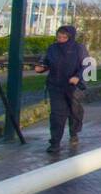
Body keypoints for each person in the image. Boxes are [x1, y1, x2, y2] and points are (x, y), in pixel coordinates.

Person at [33, 24, 91, 153]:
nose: (61, 39)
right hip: (56, 85)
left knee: (74, 111)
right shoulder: (52, 49)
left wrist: (77, 76)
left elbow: (87, 66)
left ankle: (74, 132)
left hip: (74, 86)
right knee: (57, 114)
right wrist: (41, 68)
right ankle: (55, 142)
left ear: (70, 37)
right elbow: (46, 63)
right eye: (59, 37)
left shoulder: (79, 48)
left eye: (64, 37)